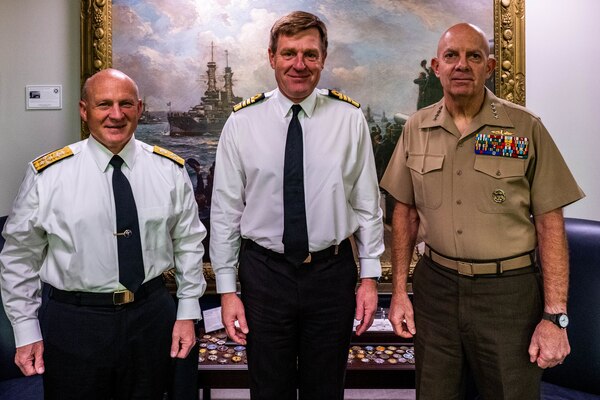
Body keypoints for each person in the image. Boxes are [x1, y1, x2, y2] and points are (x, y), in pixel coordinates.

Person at [380, 23, 585, 399]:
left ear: (488, 67)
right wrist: (398, 292)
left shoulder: (523, 128)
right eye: (451, 56)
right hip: (436, 290)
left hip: (508, 296)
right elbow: (404, 213)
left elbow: (550, 224)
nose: (462, 65)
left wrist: (556, 316)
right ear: (436, 66)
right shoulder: (416, 127)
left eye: (473, 56)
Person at [0, 68, 207, 399]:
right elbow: (19, 256)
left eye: (126, 104)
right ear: (84, 111)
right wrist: (25, 331)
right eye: (104, 104)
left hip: (151, 316)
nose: (116, 114)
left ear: (139, 109)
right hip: (74, 322)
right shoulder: (49, 175)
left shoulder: (169, 170)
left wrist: (187, 311)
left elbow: (188, 244)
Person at [209, 11, 384, 400]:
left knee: (326, 389)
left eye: (310, 54)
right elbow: (224, 212)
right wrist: (226, 290)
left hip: (331, 275)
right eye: (289, 54)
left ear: (323, 59)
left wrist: (370, 277)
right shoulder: (242, 122)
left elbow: (368, 205)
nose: (299, 65)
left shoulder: (349, 119)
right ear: (271, 57)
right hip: (265, 276)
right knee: (269, 390)